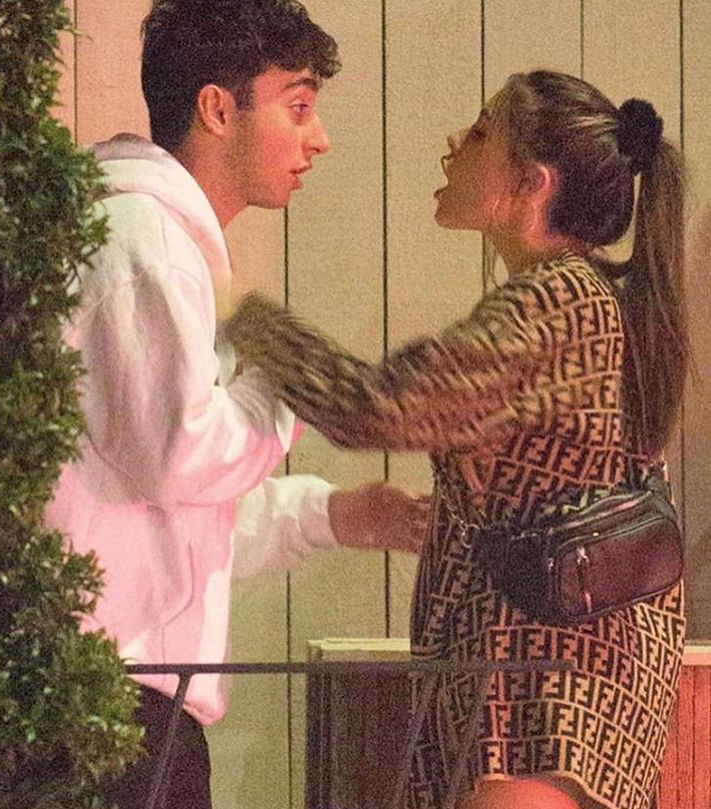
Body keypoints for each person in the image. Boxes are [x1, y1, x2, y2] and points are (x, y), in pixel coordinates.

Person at [224, 70, 688, 809]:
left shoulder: (555, 303)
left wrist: (242, 316)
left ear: (530, 184)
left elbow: (375, 406)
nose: (453, 145)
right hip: (560, 695)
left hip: (540, 707)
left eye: (478, 133)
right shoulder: (595, 299)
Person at [44, 1, 427, 807]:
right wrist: (282, 374)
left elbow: (165, 511)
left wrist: (337, 515)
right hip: (104, 702)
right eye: (297, 106)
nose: (316, 138)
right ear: (218, 108)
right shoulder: (139, 236)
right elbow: (183, 452)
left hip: (125, 698)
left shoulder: (153, 239)